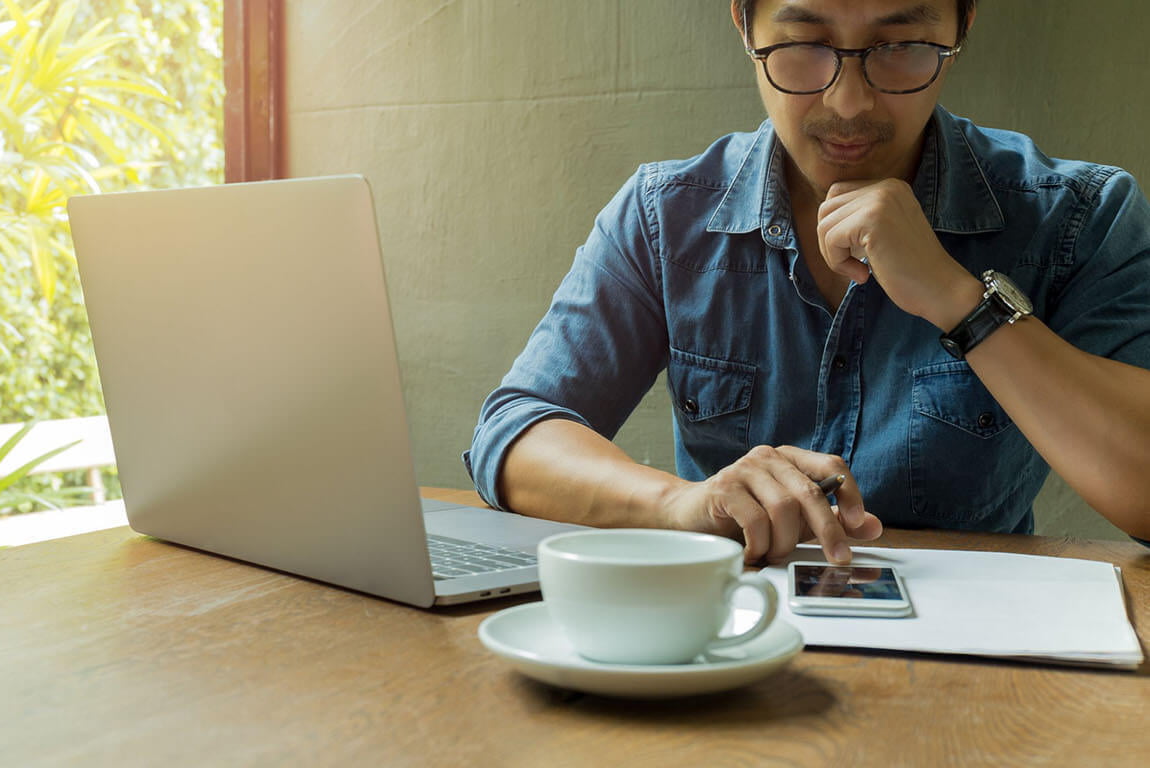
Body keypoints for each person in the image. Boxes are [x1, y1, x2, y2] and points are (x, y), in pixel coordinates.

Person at [464, 0, 1150, 566]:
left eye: (903, 45)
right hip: (725, 647)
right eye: (802, 44)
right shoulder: (664, 216)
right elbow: (516, 434)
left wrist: (957, 298)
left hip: (981, 669)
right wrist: (680, 505)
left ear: (962, 27)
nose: (849, 103)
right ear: (744, 25)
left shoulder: (1079, 216)